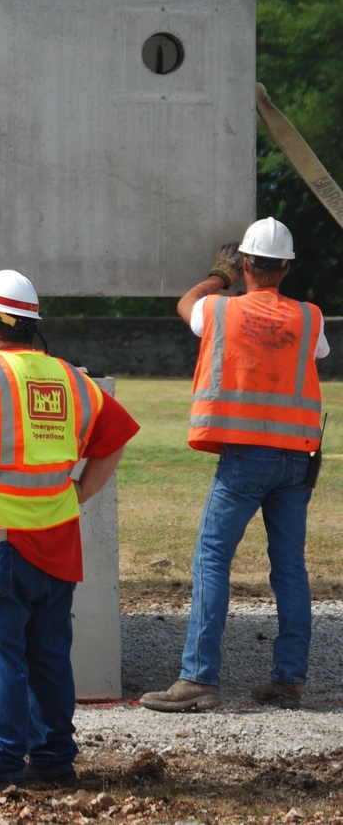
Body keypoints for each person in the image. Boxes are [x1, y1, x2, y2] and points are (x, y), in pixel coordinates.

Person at [0, 269, 139, 801]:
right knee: (48, 654)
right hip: (54, 544)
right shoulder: (70, 379)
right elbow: (115, 434)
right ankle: (52, 761)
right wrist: (78, 492)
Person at [140, 217, 329, 714]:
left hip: (245, 458)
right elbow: (316, 354)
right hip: (297, 461)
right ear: (286, 267)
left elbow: (186, 305)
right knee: (289, 568)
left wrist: (218, 276)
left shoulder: (220, 311)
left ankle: (199, 677)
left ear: (245, 263)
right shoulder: (311, 318)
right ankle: (289, 679)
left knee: (212, 560)